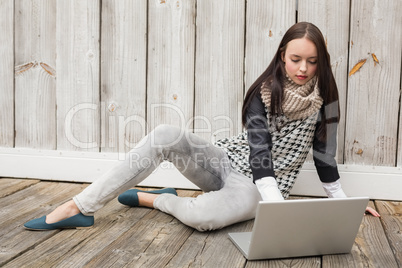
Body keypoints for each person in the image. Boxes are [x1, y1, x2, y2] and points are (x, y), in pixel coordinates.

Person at [24, 22, 379, 232]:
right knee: (164, 133)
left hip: (258, 188)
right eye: (296, 59)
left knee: (204, 218)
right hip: (228, 162)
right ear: (283, 55)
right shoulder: (264, 92)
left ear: (321, 63)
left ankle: (159, 200)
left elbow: (324, 155)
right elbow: (258, 151)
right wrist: (278, 208)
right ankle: (80, 208)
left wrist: (342, 203)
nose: (302, 68)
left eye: (312, 62)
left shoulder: (325, 99)